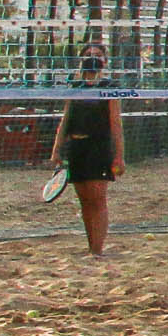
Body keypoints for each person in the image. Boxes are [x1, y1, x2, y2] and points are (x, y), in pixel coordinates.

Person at [51, 53, 123, 256]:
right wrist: (57, 148)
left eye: (96, 57)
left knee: (97, 199)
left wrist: (119, 156)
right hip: (76, 147)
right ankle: (91, 247)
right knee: (84, 201)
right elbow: (65, 119)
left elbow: (116, 124)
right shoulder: (76, 87)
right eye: (88, 57)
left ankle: (97, 251)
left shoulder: (109, 88)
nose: (92, 62)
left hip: (98, 147)